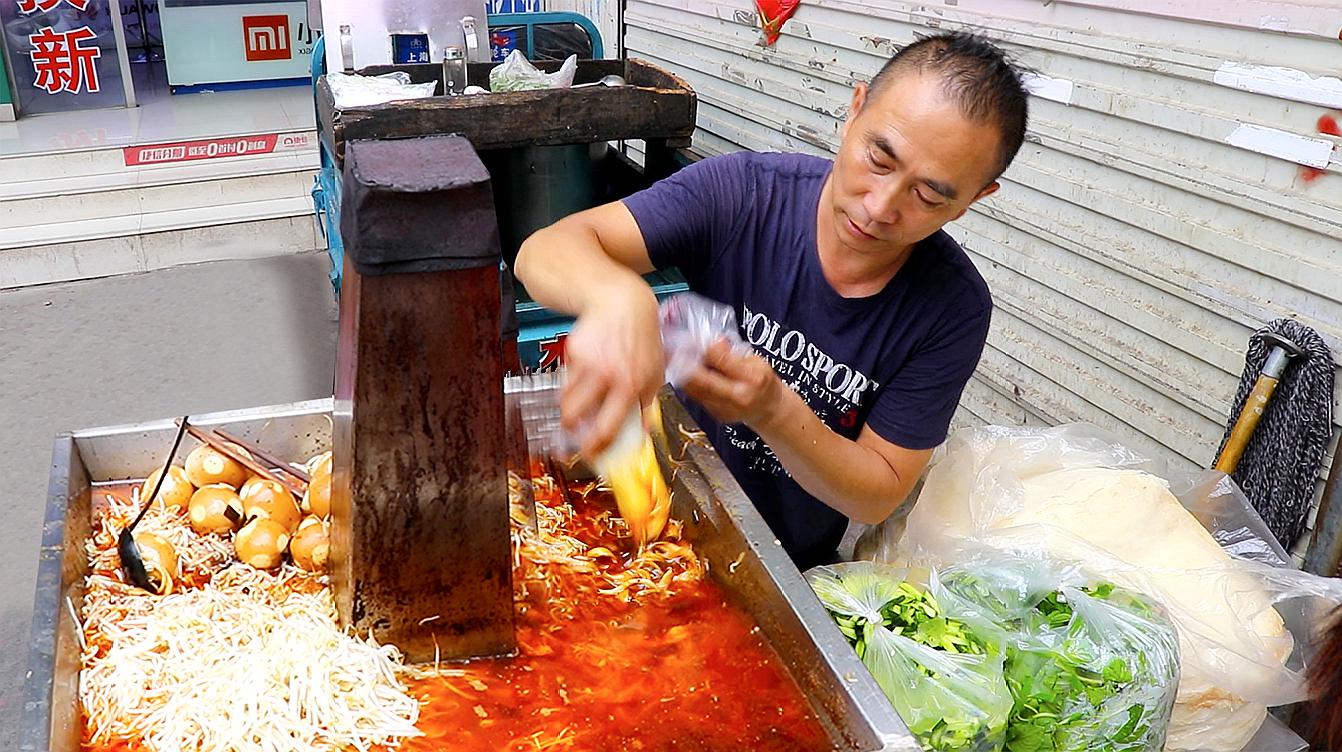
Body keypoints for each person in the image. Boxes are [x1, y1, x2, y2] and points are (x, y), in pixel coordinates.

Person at [515, 32, 1029, 569]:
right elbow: (543, 251)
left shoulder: (951, 307)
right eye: (878, 158)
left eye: (927, 195)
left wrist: (774, 410)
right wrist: (618, 298)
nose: (880, 207)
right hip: (661, 512)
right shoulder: (746, 194)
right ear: (853, 112)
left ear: (973, 199)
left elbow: (878, 493)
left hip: (791, 562)